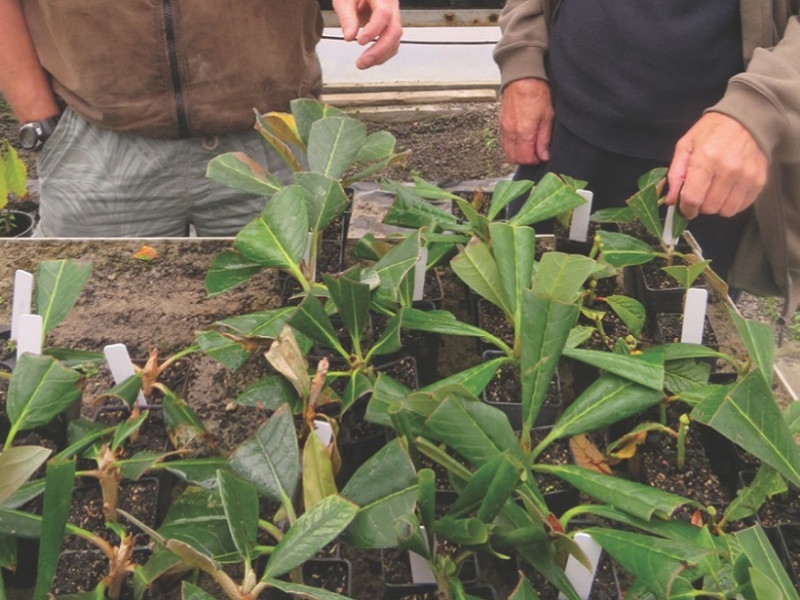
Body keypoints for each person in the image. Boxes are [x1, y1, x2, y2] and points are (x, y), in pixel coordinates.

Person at [494, 0, 800, 314]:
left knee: (674, 339)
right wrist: (523, 59)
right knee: (523, 315)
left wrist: (760, 108)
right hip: (560, 135)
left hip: (708, 169)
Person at [0, 0, 402, 237]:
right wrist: (41, 121)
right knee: (95, 354)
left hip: (271, 137)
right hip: (97, 142)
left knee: (283, 342)